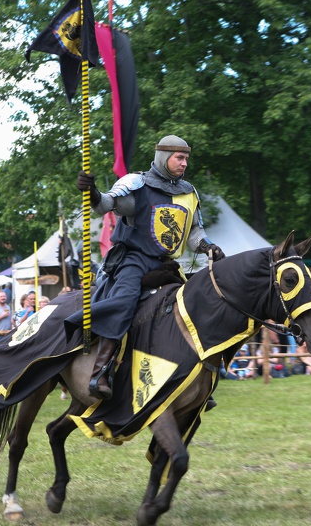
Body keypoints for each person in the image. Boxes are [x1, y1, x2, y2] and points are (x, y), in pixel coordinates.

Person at [72, 135, 224, 399]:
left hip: (166, 264)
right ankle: (100, 372)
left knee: (194, 307)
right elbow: (107, 204)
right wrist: (92, 191)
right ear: (164, 157)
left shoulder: (188, 192)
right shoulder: (137, 184)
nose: (184, 163)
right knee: (125, 302)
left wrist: (208, 246)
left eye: (186, 158)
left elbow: (194, 233)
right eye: (180, 158)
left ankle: (196, 376)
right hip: (134, 259)